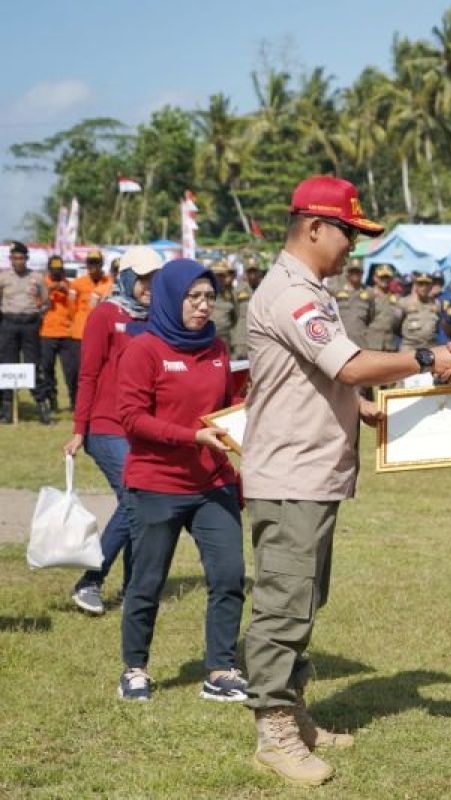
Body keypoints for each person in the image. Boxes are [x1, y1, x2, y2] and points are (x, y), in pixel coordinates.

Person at [239, 176, 451, 787]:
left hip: (310, 472)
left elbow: (319, 377)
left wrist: (362, 408)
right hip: (292, 474)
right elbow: (344, 362)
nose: (353, 247)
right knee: (283, 605)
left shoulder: (309, 289)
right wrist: (426, 359)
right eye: (348, 232)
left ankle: (295, 713)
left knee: (303, 600)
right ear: (314, 228)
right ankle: (275, 733)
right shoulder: (292, 293)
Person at [116, 258, 247, 704]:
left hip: (212, 483)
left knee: (230, 574)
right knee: (148, 581)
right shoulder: (144, 349)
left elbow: (228, 409)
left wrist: (243, 425)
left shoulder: (217, 349)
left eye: (210, 297)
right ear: (172, 297)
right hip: (156, 484)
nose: (203, 306)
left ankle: (221, 669)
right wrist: (192, 436)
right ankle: (135, 668)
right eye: (193, 297)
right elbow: (131, 419)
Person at [64, 246, 164, 615]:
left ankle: (134, 588)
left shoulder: (156, 318)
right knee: (135, 498)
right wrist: (79, 430)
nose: (149, 286)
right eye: (143, 279)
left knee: (144, 502)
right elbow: (87, 375)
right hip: (104, 427)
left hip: (141, 427)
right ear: (125, 278)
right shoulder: (104, 315)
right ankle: (90, 581)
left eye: (155, 278)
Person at [0, 241, 47, 423]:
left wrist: (37, 316)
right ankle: (6, 409)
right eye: (15, 258)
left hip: (30, 325)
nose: (18, 261)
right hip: (9, 323)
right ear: (11, 259)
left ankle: (42, 406)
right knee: (7, 365)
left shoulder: (36, 277)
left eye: (21, 258)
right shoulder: (3, 278)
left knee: (33, 364)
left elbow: (45, 301)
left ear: (27, 259)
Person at [67, 249, 113, 409]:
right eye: (90, 263)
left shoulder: (109, 282)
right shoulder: (77, 284)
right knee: (76, 371)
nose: (93, 266)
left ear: (101, 264)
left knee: (100, 371)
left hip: (101, 334)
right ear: (86, 264)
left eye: (96, 262)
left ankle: (97, 401)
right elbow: (71, 307)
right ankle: (75, 401)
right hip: (79, 333)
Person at [38, 255, 75, 424]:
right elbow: (37, 305)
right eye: (54, 271)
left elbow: (76, 306)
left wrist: (66, 291)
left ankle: (74, 402)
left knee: (70, 371)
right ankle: (51, 400)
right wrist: (50, 290)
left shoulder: (69, 285)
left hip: (67, 333)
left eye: (59, 270)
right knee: (47, 369)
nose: (57, 273)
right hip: (47, 333)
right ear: (49, 270)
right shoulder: (43, 284)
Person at [334, 261, 375, 349]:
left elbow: (371, 316)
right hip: (341, 339)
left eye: (358, 272)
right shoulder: (337, 290)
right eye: (352, 271)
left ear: (362, 273)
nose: (355, 274)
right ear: (347, 273)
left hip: (360, 341)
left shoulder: (369, 292)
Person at [397, 272, 441, 351]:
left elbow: (438, 327)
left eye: (427, 284)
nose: (424, 287)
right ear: (416, 286)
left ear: (431, 286)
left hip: (430, 347)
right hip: (410, 348)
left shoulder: (436, 304)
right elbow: (395, 325)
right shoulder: (404, 302)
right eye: (421, 284)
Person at [231, 261, 262, 361]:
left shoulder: (265, 289)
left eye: (255, 272)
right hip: (242, 337)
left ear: (259, 273)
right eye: (250, 272)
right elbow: (234, 313)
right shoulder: (238, 290)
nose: (252, 275)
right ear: (246, 273)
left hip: (261, 337)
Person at [365, 262, 400, 352]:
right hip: (372, 344)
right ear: (375, 278)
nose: (385, 280)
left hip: (389, 344)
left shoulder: (395, 298)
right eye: (382, 277)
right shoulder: (368, 294)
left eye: (387, 277)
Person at [210, 261, 238, 353]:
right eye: (217, 275)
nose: (219, 279)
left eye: (222, 276)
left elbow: (235, 318)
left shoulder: (230, 295)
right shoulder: (203, 294)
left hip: (225, 339)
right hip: (207, 339)